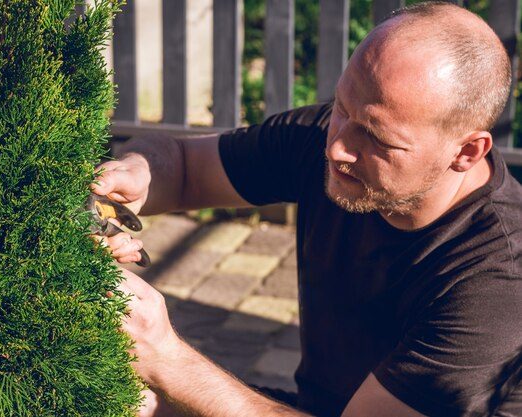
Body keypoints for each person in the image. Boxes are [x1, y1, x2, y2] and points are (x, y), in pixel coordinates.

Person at [94, 3, 522, 417]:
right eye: (341, 107)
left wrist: (166, 358)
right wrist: (139, 171)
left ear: (466, 151)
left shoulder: (498, 282)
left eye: (377, 137)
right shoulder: (324, 138)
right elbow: (185, 167)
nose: (337, 147)